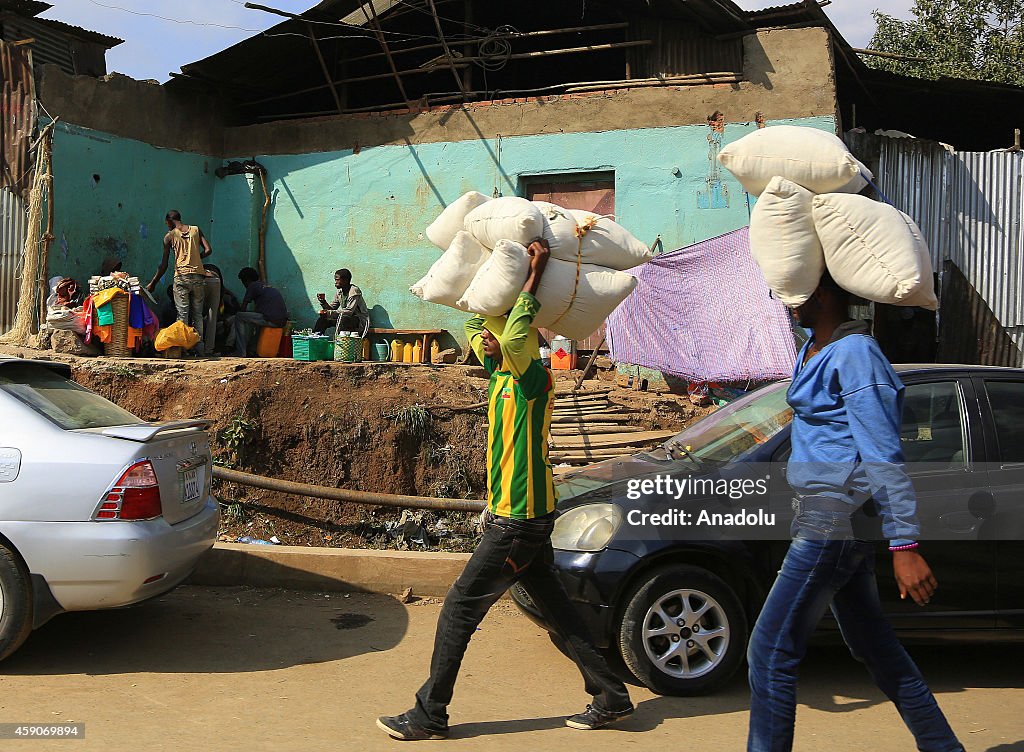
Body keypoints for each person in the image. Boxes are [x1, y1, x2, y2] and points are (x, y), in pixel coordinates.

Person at [376, 239, 633, 742]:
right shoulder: (497, 377)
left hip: (518, 521)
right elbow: (481, 324)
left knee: (459, 607)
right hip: (519, 519)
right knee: (558, 609)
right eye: (490, 340)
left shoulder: (534, 380)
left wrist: (534, 273)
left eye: (502, 339)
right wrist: (492, 274)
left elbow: (515, 334)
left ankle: (430, 713)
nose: (491, 343)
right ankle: (612, 696)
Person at [746, 272, 963, 752]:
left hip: (833, 521)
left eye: (794, 295)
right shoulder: (813, 350)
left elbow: (884, 455)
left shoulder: (857, 356)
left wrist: (904, 542)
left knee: (769, 650)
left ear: (821, 293)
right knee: (875, 648)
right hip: (821, 516)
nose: (786, 305)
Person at [147, 210, 212, 354]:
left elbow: (163, 265)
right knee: (197, 314)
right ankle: (199, 348)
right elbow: (208, 250)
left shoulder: (169, 236)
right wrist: (197, 258)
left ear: (169, 222)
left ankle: (183, 349)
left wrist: (153, 283)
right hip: (198, 277)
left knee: (182, 314)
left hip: (181, 277)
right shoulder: (196, 229)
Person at [233, 267, 288, 357]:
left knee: (239, 316)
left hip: (271, 319)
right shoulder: (265, 286)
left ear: (246, 280)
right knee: (257, 322)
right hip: (281, 320)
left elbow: (243, 308)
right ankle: (252, 350)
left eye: (243, 282)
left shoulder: (252, 286)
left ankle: (241, 352)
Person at [313, 268, 369, 336]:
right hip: (343, 317)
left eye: (337, 280)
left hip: (359, 320)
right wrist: (323, 302)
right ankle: (316, 337)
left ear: (345, 280)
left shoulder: (354, 291)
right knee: (323, 319)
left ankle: (341, 342)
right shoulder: (340, 292)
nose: (335, 282)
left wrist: (329, 313)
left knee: (344, 319)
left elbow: (349, 311)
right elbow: (332, 308)